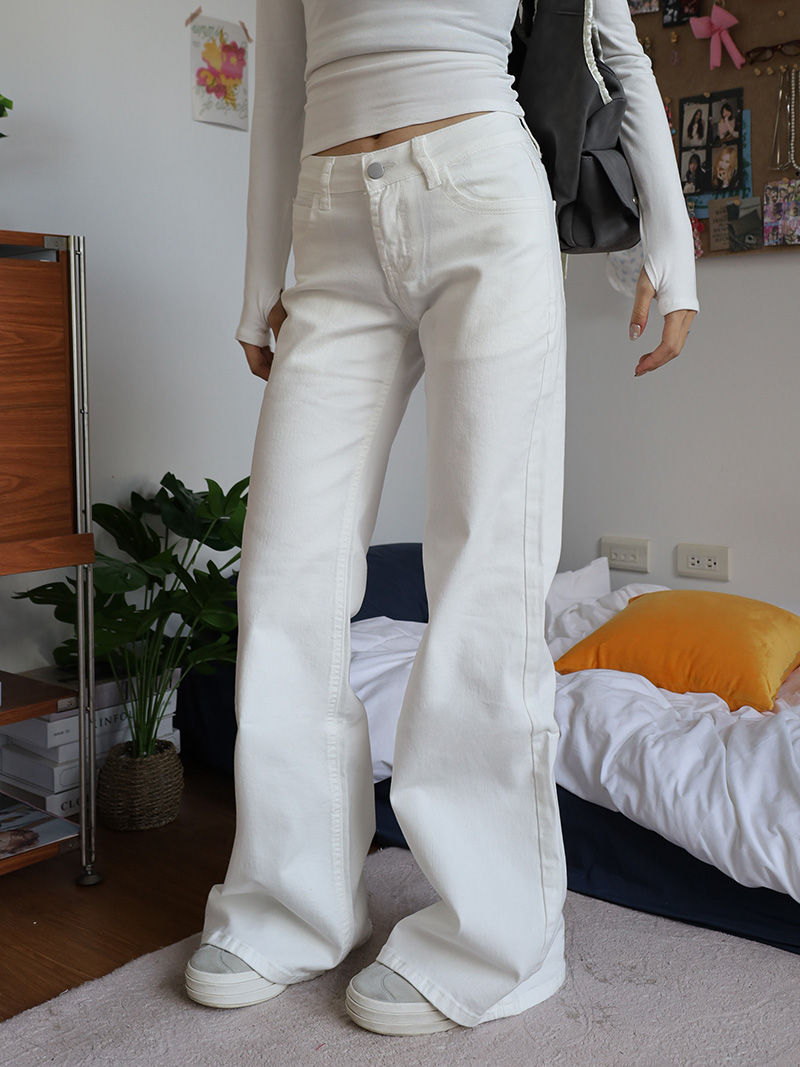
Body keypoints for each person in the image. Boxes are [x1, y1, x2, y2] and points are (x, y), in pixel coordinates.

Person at [185, 0, 698, 1035]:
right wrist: (259, 280)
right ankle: (289, 905)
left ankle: (495, 938)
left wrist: (671, 245)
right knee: (283, 575)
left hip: (480, 190)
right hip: (330, 220)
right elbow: (280, 74)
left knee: (483, 575)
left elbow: (614, 44)